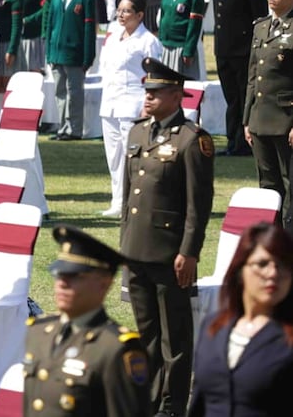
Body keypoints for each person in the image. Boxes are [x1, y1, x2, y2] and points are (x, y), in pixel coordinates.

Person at [120, 57, 215, 417]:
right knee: (146, 335)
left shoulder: (193, 141)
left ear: (178, 96)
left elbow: (198, 203)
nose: (148, 98)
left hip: (168, 253)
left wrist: (189, 252)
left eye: (156, 93)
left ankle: (173, 405)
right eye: (147, 91)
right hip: (137, 250)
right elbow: (130, 197)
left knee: (174, 337)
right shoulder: (138, 132)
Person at [23, 224, 150, 417]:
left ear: (104, 283)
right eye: (59, 275)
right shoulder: (38, 332)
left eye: (74, 276)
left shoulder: (115, 349)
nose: (62, 283)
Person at [189, 222, 293, 416]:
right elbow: (199, 403)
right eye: (262, 264)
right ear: (240, 270)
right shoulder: (213, 327)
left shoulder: (287, 337)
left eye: (283, 265)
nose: (273, 274)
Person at [98, 0, 162, 217]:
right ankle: (118, 201)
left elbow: (154, 77)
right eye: (119, 10)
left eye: (126, 11)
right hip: (110, 103)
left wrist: (148, 106)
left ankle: (136, 201)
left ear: (140, 15)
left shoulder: (148, 41)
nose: (121, 15)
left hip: (133, 104)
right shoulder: (114, 35)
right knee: (114, 157)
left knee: (132, 157)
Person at [244, 0, 293, 232]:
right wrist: (247, 119)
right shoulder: (261, 27)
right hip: (261, 119)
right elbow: (253, 77)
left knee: (290, 185)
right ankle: (272, 239)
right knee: (268, 185)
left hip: (286, 120)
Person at [212, 0, 267, 156]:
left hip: (243, 50)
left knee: (245, 97)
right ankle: (231, 141)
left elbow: (260, 18)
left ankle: (244, 142)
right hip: (223, 49)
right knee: (231, 98)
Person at [43, 0, 96, 141]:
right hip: (57, 53)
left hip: (75, 54)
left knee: (74, 93)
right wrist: (49, 52)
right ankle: (63, 127)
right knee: (60, 92)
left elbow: (89, 30)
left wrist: (88, 57)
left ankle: (74, 128)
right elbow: (50, 24)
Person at [159, 0, 206, 80]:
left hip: (180, 46)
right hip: (166, 44)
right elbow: (163, 17)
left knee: (179, 81)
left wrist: (188, 51)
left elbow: (194, 25)